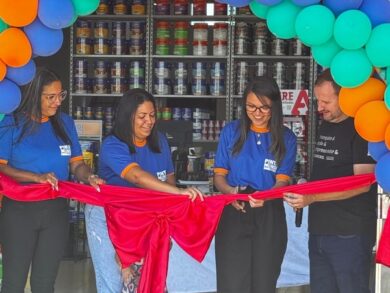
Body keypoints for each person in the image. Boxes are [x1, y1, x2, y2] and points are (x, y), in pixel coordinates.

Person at [85, 88, 203, 293]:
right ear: (127, 117)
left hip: (147, 219)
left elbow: (169, 180)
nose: (148, 121)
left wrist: (173, 210)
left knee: (149, 281)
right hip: (109, 218)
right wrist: (178, 193)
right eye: (142, 116)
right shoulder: (113, 145)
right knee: (112, 283)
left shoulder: (160, 142)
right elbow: (136, 177)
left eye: (152, 115)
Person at [0, 67, 103, 293]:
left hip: (56, 211)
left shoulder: (64, 123)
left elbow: (76, 164)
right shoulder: (12, 122)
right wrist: (37, 177)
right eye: (51, 97)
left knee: (44, 283)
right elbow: (2, 168)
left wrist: (89, 176)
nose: (57, 101)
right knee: (13, 283)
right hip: (19, 212)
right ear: (34, 95)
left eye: (60, 95)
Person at [284, 68, 376, 293]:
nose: (319, 107)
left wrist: (312, 197)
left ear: (344, 97)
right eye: (317, 100)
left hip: (349, 233)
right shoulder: (326, 123)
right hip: (319, 231)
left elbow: (362, 183)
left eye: (326, 101)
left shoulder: (361, 127)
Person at [213, 76, 297, 293]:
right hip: (234, 210)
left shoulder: (286, 138)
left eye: (264, 107)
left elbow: (282, 181)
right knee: (232, 282)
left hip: (269, 212)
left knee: (264, 282)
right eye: (251, 106)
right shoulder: (231, 132)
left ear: (275, 107)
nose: (257, 113)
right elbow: (219, 177)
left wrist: (266, 196)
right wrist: (231, 192)